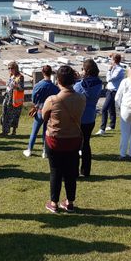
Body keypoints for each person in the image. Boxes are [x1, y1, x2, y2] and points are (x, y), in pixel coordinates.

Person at [42, 65, 85, 213]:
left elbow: (44, 116)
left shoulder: (53, 100)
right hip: (73, 139)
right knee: (71, 172)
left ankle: (53, 202)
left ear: (58, 80)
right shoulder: (81, 98)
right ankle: (69, 202)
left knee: (55, 171)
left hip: (55, 140)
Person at [73, 59, 102, 177]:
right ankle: (86, 171)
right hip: (90, 116)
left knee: (75, 145)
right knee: (86, 144)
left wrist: (77, 79)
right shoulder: (99, 83)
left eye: (83, 69)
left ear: (86, 70)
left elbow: (74, 91)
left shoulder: (80, 85)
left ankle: (74, 171)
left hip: (79, 117)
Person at [23, 65, 59, 158]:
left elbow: (34, 99)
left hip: (39, 110)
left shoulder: (38, 85)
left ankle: (29, 150)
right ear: (51, 73)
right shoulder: (54, 87)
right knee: (45, 132)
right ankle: (45, 151)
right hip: (49, 112)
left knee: (34, 131)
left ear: (43, 73)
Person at [96, 53, 124, 135]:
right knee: (111, 108)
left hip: (113, 91)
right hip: (109, 90)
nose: (110, 61)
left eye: (111, 59)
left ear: (114, 60)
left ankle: (102, 129)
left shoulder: (119, 70)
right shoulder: (115, 68)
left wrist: (109, 70)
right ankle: (112, 125)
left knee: (104, 109)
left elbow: (108, 79)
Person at [0, 61, 24, 136]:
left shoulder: (20, 77)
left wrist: (15, 86)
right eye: (8, 68)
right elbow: (9, 86)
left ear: (16, 68)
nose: (10, 70)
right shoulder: (11, 76)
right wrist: (5, 83)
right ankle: (5, 130)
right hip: (8, 96)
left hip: (15, 98)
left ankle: (10, 131)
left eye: (11, 68)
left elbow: (21, 88)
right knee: (5, 112)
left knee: (14, 115)